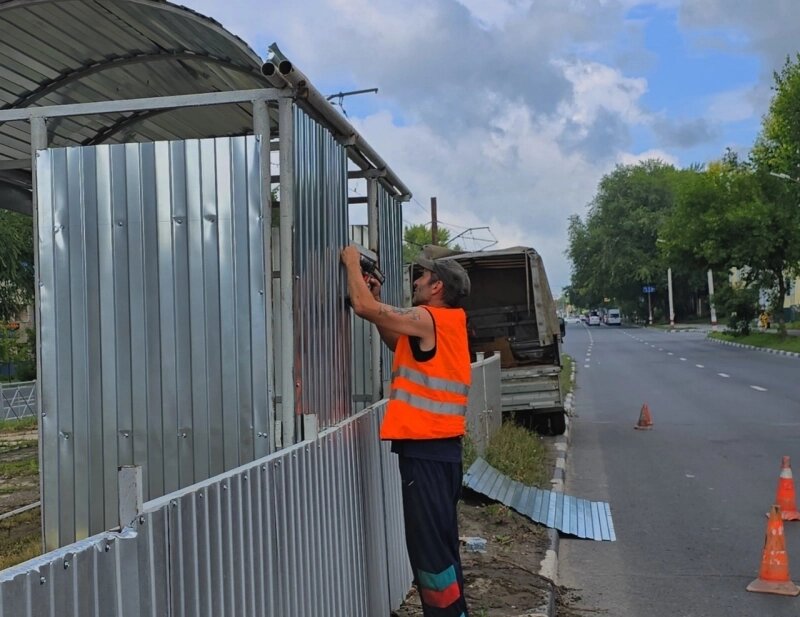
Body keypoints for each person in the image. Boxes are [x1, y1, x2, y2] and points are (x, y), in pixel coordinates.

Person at [341, 244, 472, 617]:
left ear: (437, 287)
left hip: (427, 452)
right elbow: (395, 340)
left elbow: (363, 307)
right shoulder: (446, 324)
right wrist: (377, 298)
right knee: (440, 545)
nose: (416, 281)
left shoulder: (428, 318)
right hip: (441, 452)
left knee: (430, 552)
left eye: (422, 276)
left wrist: (350, 261)